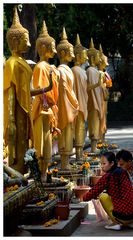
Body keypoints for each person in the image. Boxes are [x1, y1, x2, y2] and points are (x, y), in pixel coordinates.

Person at [4, 7, 33, 174]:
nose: (28, 44)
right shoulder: (11, 63)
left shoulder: (21, 61)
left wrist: (45, 89)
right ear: (15, 41)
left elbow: (26, 91)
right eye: (25, 39)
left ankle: (23, 173)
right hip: (16, 111)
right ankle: (17, 174)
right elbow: (10, 91)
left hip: (25, 110)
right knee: (17, 146)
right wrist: (11, 118)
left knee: (24, 143)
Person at [83, 150, 133, 230]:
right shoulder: (124, 171)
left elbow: (94, 192)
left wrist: (83, 197)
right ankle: (131, 222)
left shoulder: (108, 176)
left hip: (123, 216)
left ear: (112, 163)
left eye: (104, 163)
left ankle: (116, 222)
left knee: (103, 196)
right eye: (101, 164)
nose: (101, 166)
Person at [32, 21, 60, 182]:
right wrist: (48, 88)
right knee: (41, 148)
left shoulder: (49, 67)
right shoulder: (41, 67)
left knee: (48, 146)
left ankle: (44, 175)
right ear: (42, 48)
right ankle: (40, 177)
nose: (54, 51)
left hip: (48, 110)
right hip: (41, 110)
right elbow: (39, 90)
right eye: (52, 47)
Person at [57, 27, 79, 170]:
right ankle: (64, 164)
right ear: (63, 53)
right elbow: (64, 91)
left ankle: (67, 162)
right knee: (65, 135)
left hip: (71, 106)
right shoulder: (61, 70)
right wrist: (73, 103)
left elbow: (71, 90)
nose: (72, 55)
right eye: (70, 52)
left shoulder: (69, 70)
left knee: (69, 134)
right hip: (65, 107)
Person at [71, 34, 88, 160]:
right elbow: (75, 89)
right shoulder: (75, 70)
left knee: (82, 128)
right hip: (78, 104)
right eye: (84, 55)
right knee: (78, 128)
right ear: (77, 56)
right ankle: (78, 154)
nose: (86, 58)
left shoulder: (82, 71)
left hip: (84, 102)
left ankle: (80, 152)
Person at [86, 38, 102, 152]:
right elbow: (88, 89)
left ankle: (95, 146)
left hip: (98, 102)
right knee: (93, 125)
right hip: (93, 103)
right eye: (97, 57)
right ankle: (93, 147)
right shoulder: (90, 71)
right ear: (92, 58)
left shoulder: (95, 71)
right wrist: (97, 84)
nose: (99, 59)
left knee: (96, 125)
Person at [97, 44, 112, 142]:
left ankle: (103, 140)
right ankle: (99, 140)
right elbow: (100, 86)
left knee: (104, 119)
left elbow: (109, 85)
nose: (107, 63)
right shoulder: (99, 73)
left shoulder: (105, 73)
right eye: (105, 61)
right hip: (100, 99)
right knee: (100, 119)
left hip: (104, 99)